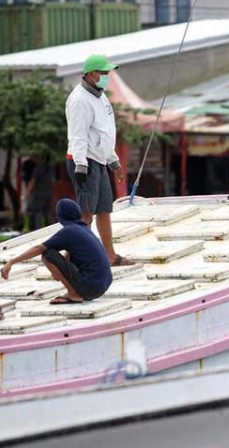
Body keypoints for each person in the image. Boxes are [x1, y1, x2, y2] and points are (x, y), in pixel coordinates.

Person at [66, 53, 133, 266]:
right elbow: (78, 135)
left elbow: (105, 133)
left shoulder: (101, 96)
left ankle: (110, 256)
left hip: (100, 160)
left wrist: (113, 161)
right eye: (104, 73)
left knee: (104, 209)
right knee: (86, 214)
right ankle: (71, 259)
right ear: (92, 74)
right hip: (84, 161)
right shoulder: (79, 100)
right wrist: (81, 165)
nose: (107, 76)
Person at [1, 199, 113, 304]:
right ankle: (76, 291)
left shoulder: (69, 231)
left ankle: (73, 294)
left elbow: (38, 249)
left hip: (90, 286)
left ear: (60, 216)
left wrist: (12, 262)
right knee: (65, 253)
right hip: (102, 286)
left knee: (48, 254)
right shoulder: (83, 228)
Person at [22, 156, 54, 231]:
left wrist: (26, 194)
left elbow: (33, 181)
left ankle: (38, 230)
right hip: (48, 193)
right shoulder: (50, 168)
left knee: (37, 213)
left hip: (38, 194)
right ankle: (48, 231)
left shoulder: (39, 168)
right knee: (47, 213)